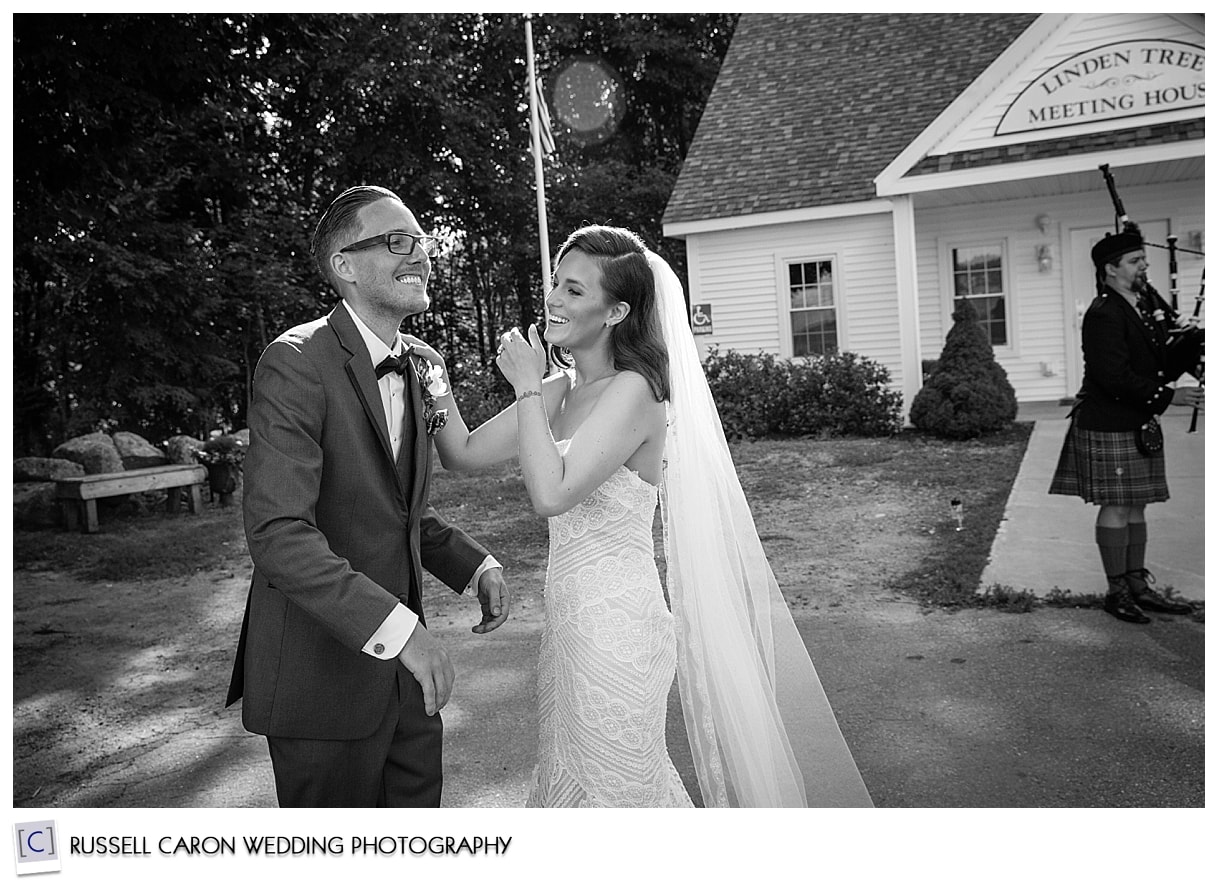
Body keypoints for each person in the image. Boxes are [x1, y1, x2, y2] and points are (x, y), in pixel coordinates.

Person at [417, 224, 872, 807]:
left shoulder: (635, 391)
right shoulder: (559, 390)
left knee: (621, 797)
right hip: (568, 631)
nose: (554, 298)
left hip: (618, 631)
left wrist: (526, 387)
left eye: (574, 290)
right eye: (556, 283)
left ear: (616, 312)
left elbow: (551, 495)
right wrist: (434, 378)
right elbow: (462, 454)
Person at [225, 185, 510, 807]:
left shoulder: (422, 362)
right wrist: (401, 633)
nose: (422, 256)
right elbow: (278, 535)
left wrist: (474, 565)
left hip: (410, 687)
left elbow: (398, 508)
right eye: (397, 242)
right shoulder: (294, 362)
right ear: (344, 267)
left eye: (423, 242)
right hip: (321, 679)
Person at [1049, 227, 1203, 624]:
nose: (1144, 266)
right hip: (1108, 421)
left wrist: (1193, 343)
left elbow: (1154, 367)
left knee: (1136, 505)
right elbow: (1113, 376)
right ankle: (1116, 591)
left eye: (1143, 260)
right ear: (1110, 268)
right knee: (1116, 505)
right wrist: (1170, 398)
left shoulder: (1139, 308)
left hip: (1135, 419)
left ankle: (1138, 586)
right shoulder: (1104, 314)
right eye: (1135, 261)